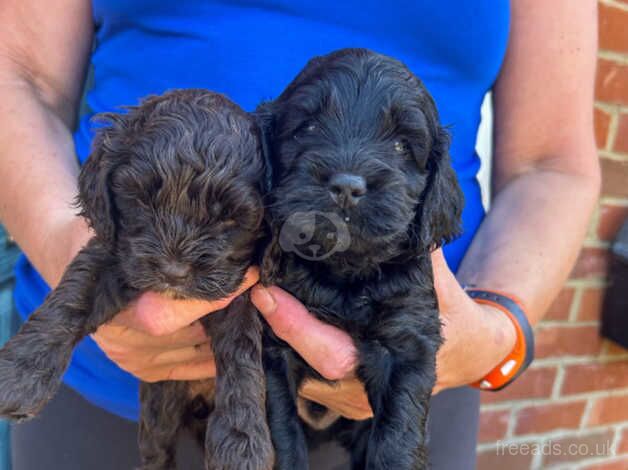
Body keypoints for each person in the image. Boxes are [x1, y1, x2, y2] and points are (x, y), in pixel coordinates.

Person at [0, 1, 599, 469]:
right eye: (310, 123)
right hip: (110, 379)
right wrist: (80, 257)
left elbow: (554, 164)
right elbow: (17, 74)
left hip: (416, 382)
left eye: (399, 143)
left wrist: (498, 331)